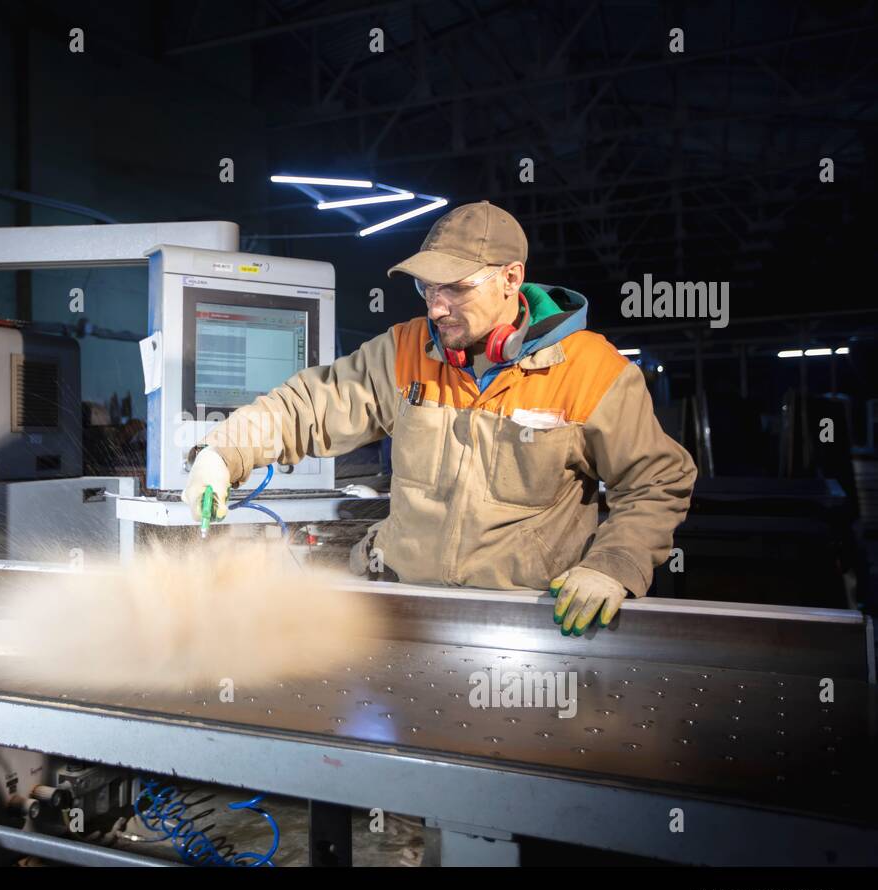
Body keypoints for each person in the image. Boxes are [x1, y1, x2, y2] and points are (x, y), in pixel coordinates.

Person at [182, 200, 696, 635]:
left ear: (511, 279)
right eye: (428, 289)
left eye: (456, 288)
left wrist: (613, 565)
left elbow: (656, 482)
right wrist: (221, 453)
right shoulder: (405, 351)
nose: (438, 307)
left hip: (525, 625)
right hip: (400, 611)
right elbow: (307, 407)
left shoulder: (592, 372)